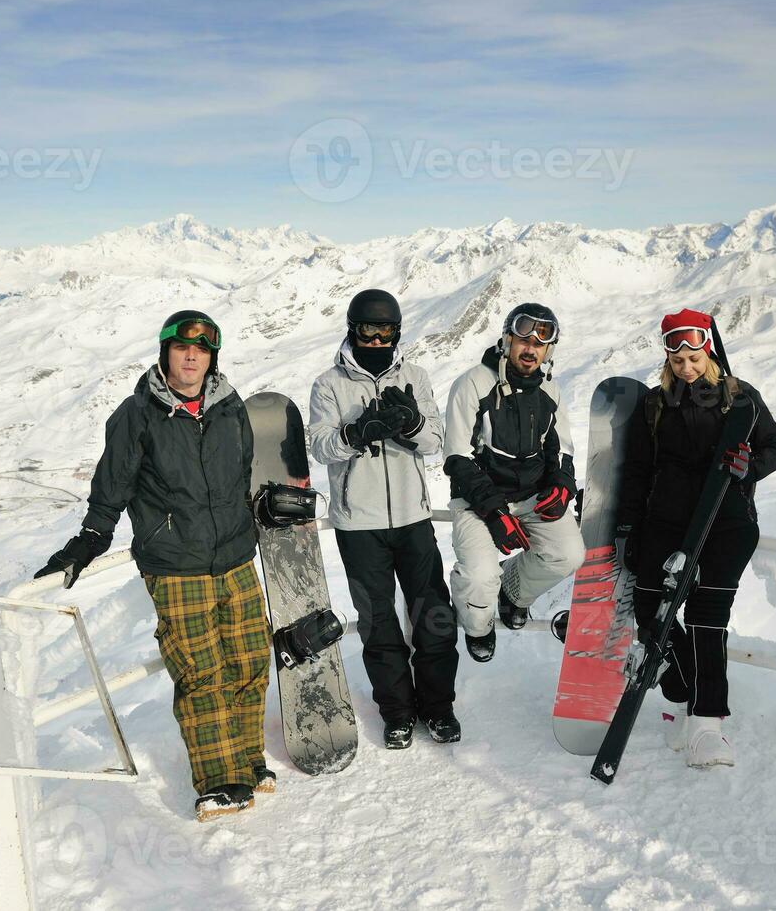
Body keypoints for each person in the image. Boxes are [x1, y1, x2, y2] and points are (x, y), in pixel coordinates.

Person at [36, 310, 273, 821]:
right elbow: (113, 486)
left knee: (251, 661)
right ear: (165, 351)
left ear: (212, 358)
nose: (192, 356)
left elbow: (242, 475)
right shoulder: (137, 413)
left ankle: (248, 761)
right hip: (176, 564)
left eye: (203, 349)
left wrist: (260, 512)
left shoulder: (230, 408)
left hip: (234, 556)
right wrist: (89, 540)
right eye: (182, 347)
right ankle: (220, 780)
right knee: (201, 674)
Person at [616, 308, 776, 768]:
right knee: (651, 613)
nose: (686, 368)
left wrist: (750, 467)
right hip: (666, 521)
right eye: (677, 360)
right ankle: (679, 695)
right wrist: (630, 527)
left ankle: (708, 725)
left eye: (693, 357)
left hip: (726, 521)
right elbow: (636, 471)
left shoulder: (739, 398)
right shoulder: (654, 405)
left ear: (707, 350)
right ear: (667, 359)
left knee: (706, 619)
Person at [309, 289, 461, 750]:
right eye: (367, 330)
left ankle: (438, 708)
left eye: (386, 330)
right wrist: (358, 432)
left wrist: (411, 424)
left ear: (398, 332)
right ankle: (397, 714)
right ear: (352, 330)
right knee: (377, 623)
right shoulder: (329, 384)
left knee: (433, 616)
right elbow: (320, 446)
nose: (376, 339)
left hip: (414, 520)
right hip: (359, 526)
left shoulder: (416, 375)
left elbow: (435, 440)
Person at [443, 303, 586, 663]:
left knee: (568, 555)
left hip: (529, 496)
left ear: (548, 350)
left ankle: (514, 594)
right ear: (506, 339)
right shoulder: (473, 384)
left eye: (541, 342)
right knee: (479, 576)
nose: (531, 348)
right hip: (477, 501)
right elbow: (457, 458)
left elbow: (562, 449)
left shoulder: (549, 392)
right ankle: (478, 625)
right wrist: (493, 513)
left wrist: (562, 486)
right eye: (523, 337)